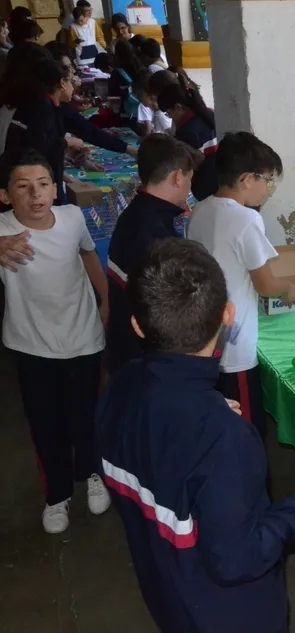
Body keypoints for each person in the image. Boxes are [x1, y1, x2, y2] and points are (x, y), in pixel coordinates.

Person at [96, 237, 295, 633]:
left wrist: (207, 409)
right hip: (232, 616)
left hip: (165, 590)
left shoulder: (119, 386)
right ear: (228, 314)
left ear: (137, 325)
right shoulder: (226, 437)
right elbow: (237, 558)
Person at [0, 148, 109, 533]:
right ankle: (57, 494)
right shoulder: (3, 230)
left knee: (86, 415)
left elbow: (88, 255)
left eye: (43, 184)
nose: (36, 194)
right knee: (46, 422)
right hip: (32, 345)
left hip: (83, 337)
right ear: (5, 194)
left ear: (54, 187)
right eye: (23, 186)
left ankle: (93, 473)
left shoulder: (72, 217)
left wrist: (106, 299)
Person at [186, 132, 294, 440]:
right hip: (236, 346)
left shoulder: (200, 209)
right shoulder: (246, 219)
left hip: (204, 335)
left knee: (217, 419)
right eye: (267, 180)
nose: (268, 188)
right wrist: (287, 288)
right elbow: (266, 285)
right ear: (247, 179)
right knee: (246, 427)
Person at [106, 134, 202, 372]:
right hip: (145, 359)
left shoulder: (139, 213)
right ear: (178, 177)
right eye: (189, 179)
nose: (189, 188)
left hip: (127, 347)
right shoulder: (153, 235)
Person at [1, 58, 72, 204]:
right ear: (61, 83)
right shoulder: (41, 107)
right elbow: (40, 147)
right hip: (22, 173)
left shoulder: (28, 103)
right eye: (70, 80)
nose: (75, 83)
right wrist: (66, 143)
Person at [157, 76, 218, 201]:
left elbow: (187, 163)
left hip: (205, 183)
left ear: (178, 107)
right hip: (221, 179)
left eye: (168, 113)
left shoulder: (186, 131)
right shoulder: (208, 113)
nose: (170, 117)